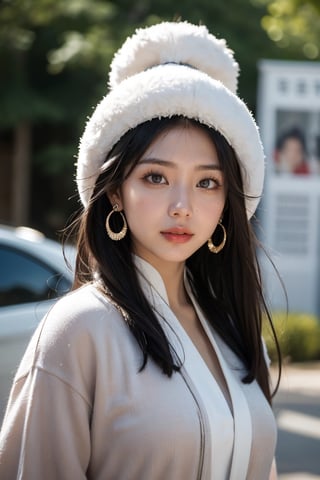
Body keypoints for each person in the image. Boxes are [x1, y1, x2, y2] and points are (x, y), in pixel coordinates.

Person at [0, 21, 280, 479]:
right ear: (114, 192)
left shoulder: (234, 328)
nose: (182, 207)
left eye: (207, 182)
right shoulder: (81, 329)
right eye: (156, 177)